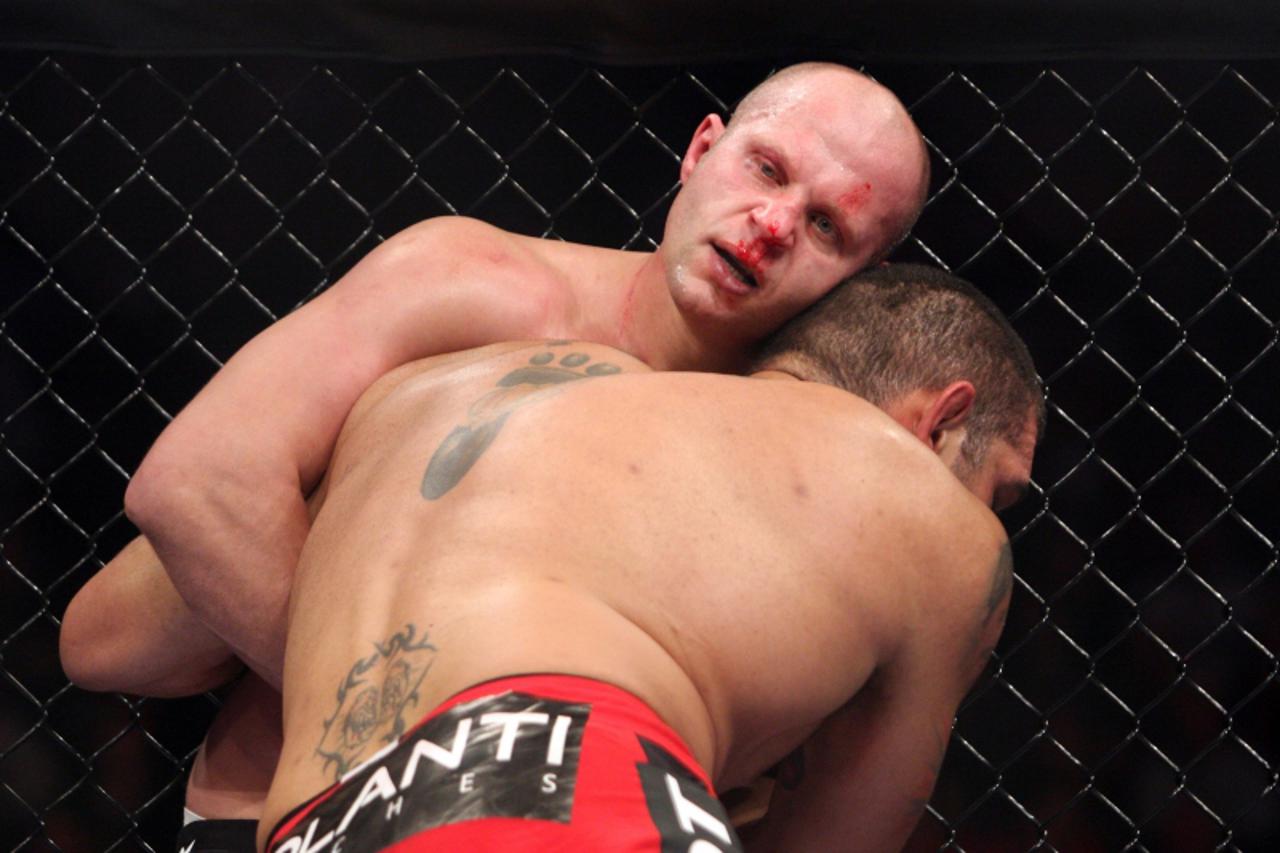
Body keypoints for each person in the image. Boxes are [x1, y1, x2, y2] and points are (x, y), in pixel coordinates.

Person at [63, 61, 929, 846]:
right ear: (701, 150)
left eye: (824, 225)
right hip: (279, 811)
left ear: (859, 279)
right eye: (766, 169)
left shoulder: (788, 461)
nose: (772, 224)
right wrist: (410, 722)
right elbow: (182, 509)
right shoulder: (483, 287)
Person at [68, 264, 1043, 851]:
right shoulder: (926, 512)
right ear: (942, 419)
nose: (983, 513)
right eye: (994, 484)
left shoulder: (434, 392)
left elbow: (106, 640)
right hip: (566, 783)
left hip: (307, 815)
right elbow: (834, 840)